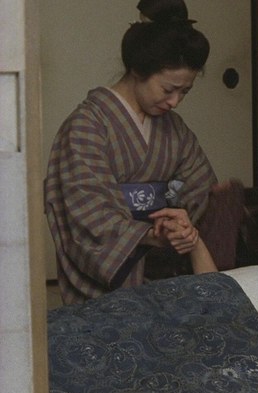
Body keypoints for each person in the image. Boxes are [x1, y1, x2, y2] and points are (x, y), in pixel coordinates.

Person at [44, 0, 221, 304]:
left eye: (185, 92)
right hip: (111, 287)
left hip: (169, 276)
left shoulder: (175, 130)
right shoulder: (86, 126)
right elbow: (88, 214)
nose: (175, 102)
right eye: (168, 89)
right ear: (138, 70)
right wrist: (150, 235)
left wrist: (179, 224)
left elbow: (197, 188)